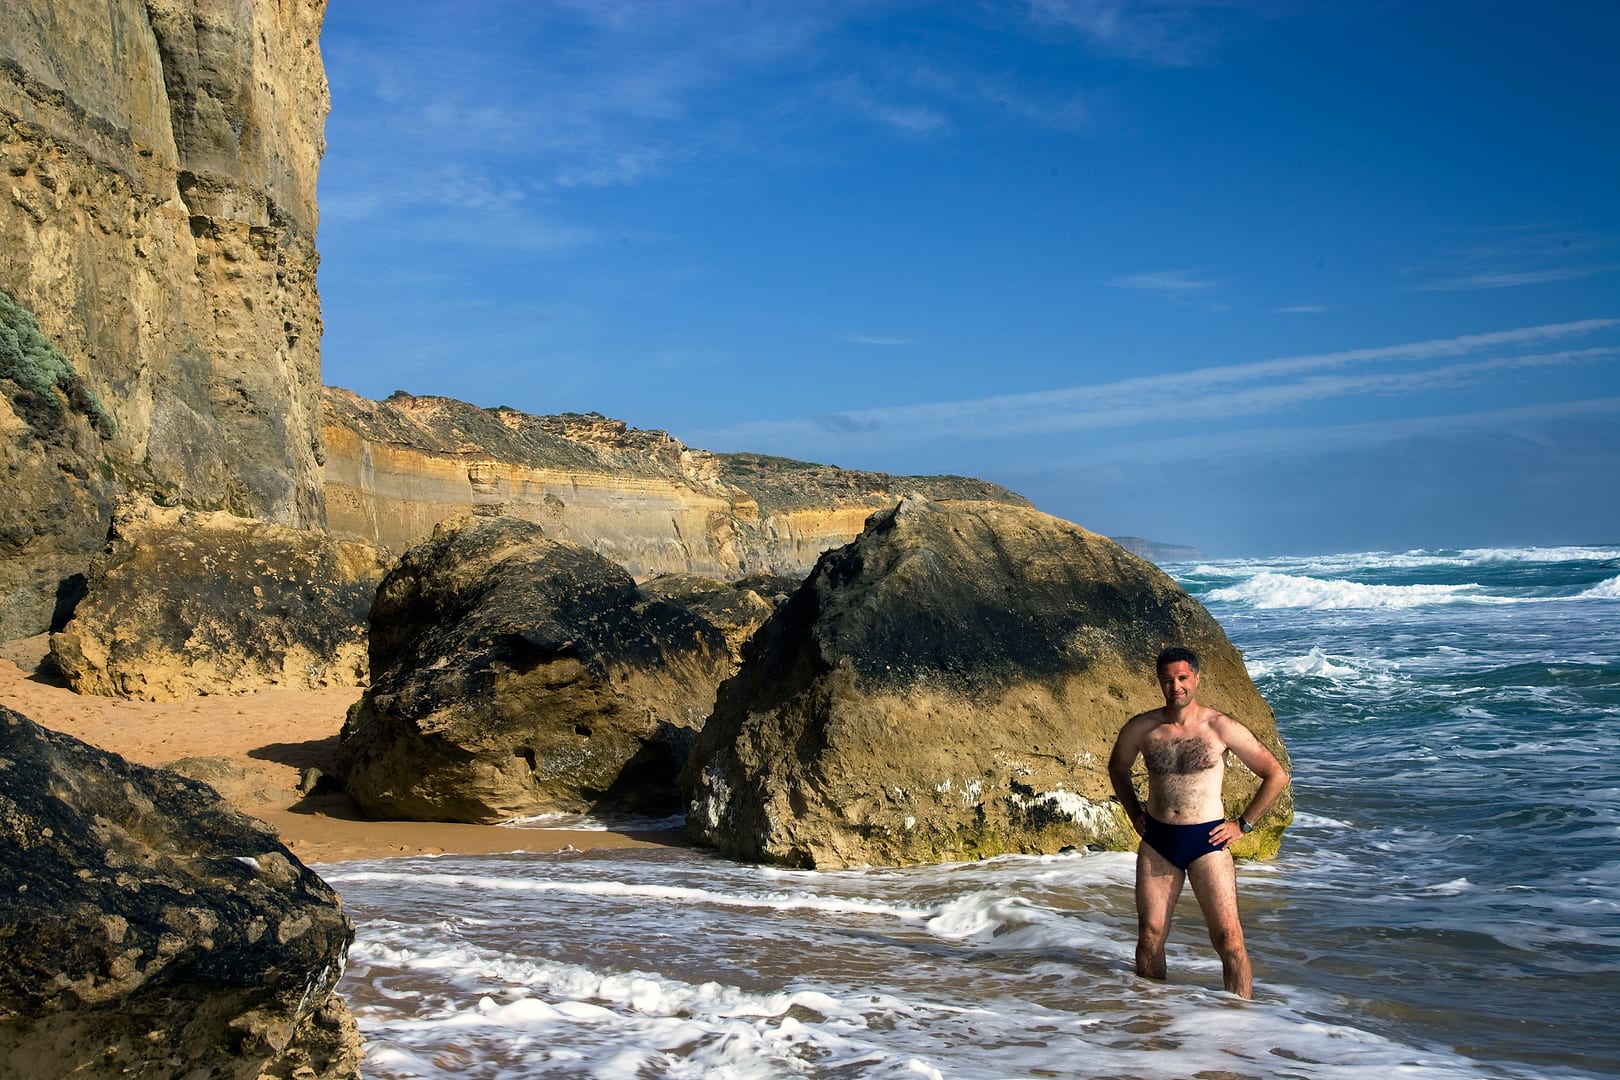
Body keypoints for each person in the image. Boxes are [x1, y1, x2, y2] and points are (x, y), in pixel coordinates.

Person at [1107, 646, 1290, 998]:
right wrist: (1134, 813)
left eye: (1182, 678)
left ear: (1196, 678)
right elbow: (1118, 768)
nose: (1175, 686)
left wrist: (1244, 825)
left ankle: (1240, 1022)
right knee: (1150, 936)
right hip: (1158, 840)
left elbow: (1275, 775)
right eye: (1167, 680)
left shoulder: (1219, 727)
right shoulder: (1143, 727)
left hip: (1208, 840)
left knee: (1229, 938)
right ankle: (1151, 1019)